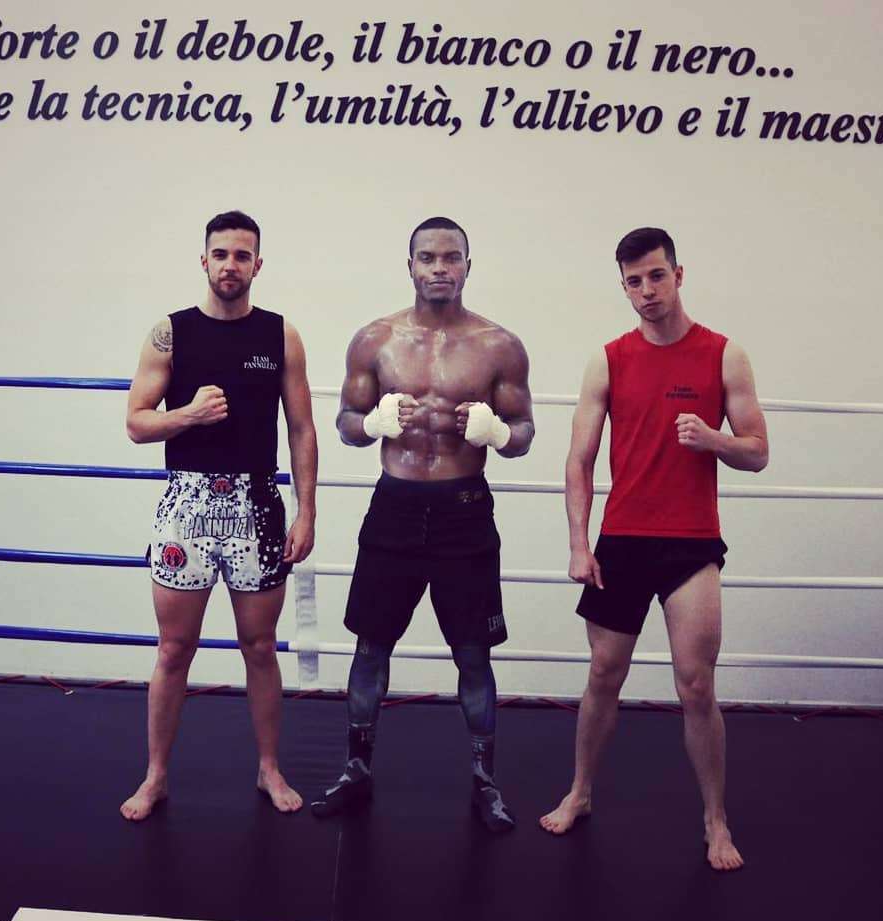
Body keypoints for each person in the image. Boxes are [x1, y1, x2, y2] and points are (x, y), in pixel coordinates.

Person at [539, 227, 769, 871]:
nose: (646, 291)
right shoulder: (608, 359)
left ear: (679, 274)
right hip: (622, 542)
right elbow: (579, 460)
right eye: (634, 281)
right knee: (603, 675)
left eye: (656, 276)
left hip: (691, 544)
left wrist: (714, 440)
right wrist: (579, 544)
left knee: (695, 685)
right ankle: (581, 792)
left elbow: (758, 452)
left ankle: (716, 820)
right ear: (624, 286)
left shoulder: (724, 355)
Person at [309, 216, 534, 833]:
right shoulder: (375, 340)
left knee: (473, 653)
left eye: (450, 257)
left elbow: (524, 433)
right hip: (396, 507)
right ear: (409, 265)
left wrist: (495, 432)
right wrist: (373, 423)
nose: (439, 267)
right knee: (370, 645)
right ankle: (356, 769)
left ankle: (486, 781)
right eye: (428, 257)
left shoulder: (499, 345)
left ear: (468, 265)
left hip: (464, 509)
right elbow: (346, 423)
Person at [120, 210, 317, 821]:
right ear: (203, 260)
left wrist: (307, 512)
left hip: (257, 503)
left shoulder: (280, 335)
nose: (231, 265)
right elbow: (136, 423)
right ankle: (155, 776)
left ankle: (268, 768)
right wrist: (188, 415)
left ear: (258, 264)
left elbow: (302, 429)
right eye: (221, 254)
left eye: (242, 255)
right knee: (174, 647)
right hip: (188, 503)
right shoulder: (170, 333)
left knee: (259, 646)